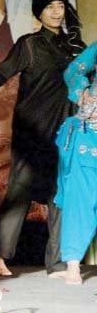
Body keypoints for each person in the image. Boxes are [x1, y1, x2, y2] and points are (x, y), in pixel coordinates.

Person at [0, 0, 85, 277]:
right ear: (39, 12)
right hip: (33, 128)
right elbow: (2, 72)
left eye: (60, 5)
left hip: (66, 128)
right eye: (49, 7)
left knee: (62, 193)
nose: (56, 11)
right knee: (20, 190)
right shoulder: (30, 44)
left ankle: (58, 262)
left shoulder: (75, 46)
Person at [53, 42, 97, 285]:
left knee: (83, 201)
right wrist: (84, 91)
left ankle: (72, 266)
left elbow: (73, 71)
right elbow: (74, 72)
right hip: (89, 139)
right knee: (81, 199)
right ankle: (72, 266)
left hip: (89, 141)